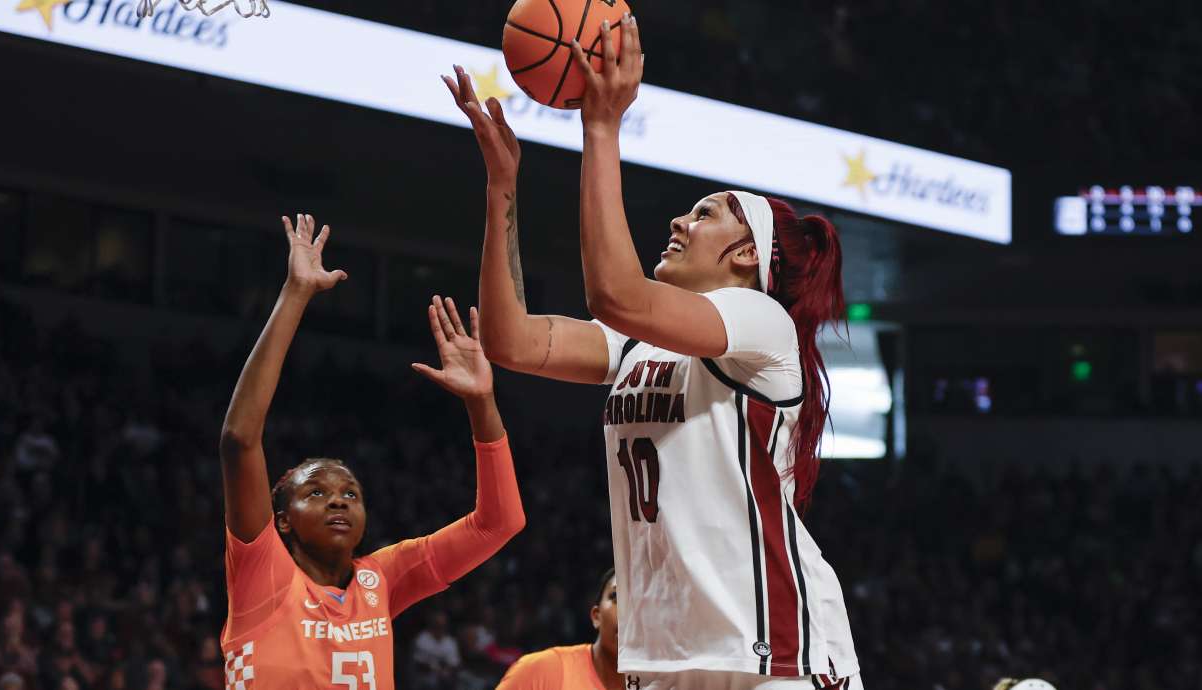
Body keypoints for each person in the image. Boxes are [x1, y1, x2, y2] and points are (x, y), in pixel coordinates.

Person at [443, 12, 860, 688]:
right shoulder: (640, 341)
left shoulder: (760, 322)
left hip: (769, 650)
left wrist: (602, 128)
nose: (677, 221)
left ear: (748, 252)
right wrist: (501, 189)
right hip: (662, 654)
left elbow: (616, 294)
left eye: (703, 215)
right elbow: (511, 341)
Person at [217, 213, 525, 689]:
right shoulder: (263, 576)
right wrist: (296, 293)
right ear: (282, 520)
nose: (338, 500)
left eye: (350, 493)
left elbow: (498, 522)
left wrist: (482, 403)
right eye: (315, 493)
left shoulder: (381, 579)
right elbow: (239, 440)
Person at [496, 568, 623, 690]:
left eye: (642, 603)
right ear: (597, 616)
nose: (630, 612)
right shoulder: (541, 671)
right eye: (617, 597)